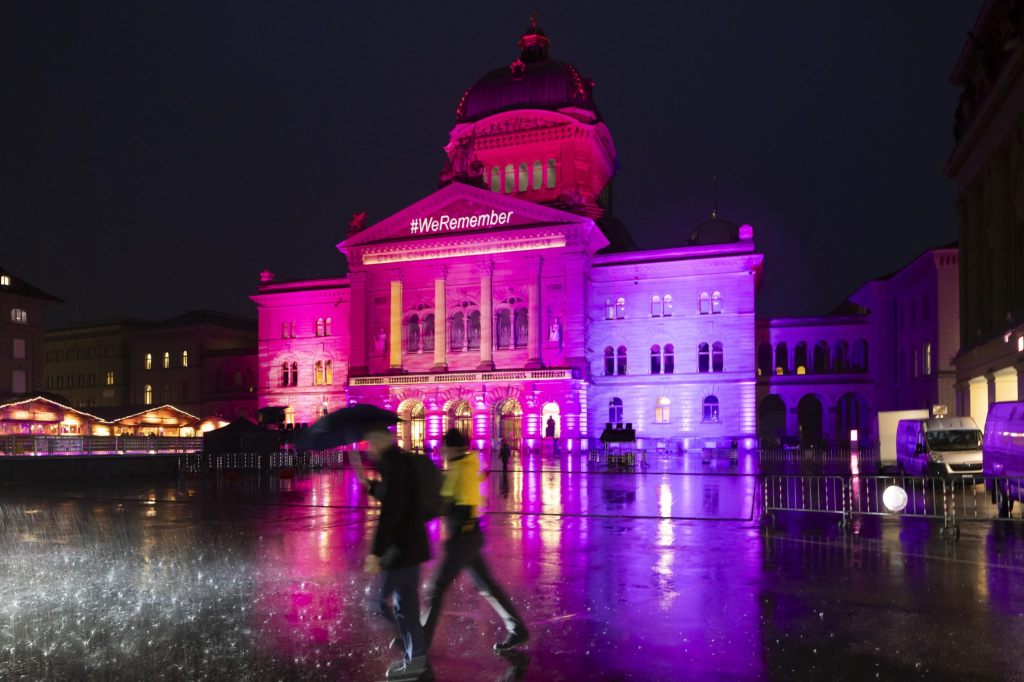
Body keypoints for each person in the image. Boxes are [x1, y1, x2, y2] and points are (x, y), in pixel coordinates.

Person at [423, 429, 528, 653]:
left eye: (444, 447)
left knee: (436, 587)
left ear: (453, 448)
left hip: (462, 538)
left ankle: (418, 644)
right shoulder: (469, 464)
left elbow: (443, 504)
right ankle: (517, 629)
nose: (442, 451)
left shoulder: (458, 470)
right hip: (472, 535)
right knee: (486, 585)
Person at [357, 425, 432, 681]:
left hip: (402, 549)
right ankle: (415, 651)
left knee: (382, 603)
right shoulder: (398, 464)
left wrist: (376, 553)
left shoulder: (395, 468)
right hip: (410, 546)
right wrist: (372, 486)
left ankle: (413, 651)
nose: (369, 449)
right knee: (403, 605)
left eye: (370, 443)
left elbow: (392, 514)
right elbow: (396, 498)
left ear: (379, 443)